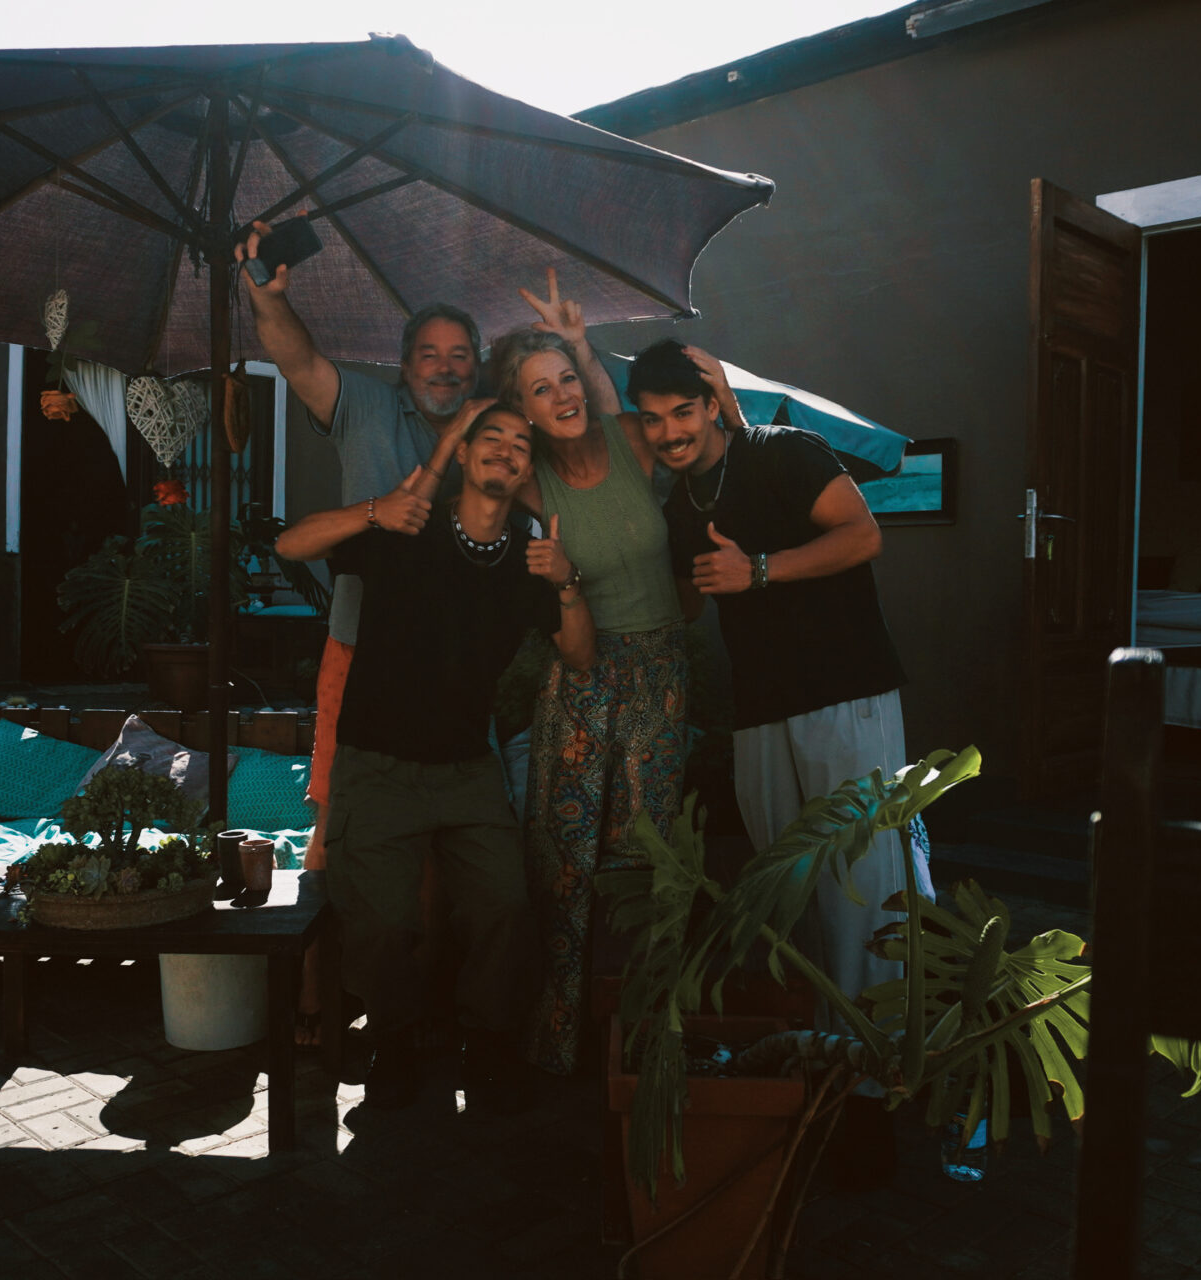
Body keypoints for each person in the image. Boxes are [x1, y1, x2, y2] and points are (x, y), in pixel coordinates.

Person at [235, 223, 598, 1042]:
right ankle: (321, 998)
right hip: (362, 649)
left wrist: (566, 573)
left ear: (478, 367)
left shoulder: (501, 437)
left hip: (462, 673)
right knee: (341, 827)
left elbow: (566, 488)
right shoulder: (366, 405)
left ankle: (424, 1013)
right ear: (405, 367)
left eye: (459, 355)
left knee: (451, 848)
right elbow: (296, 359)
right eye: (428, 354)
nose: (444, 366)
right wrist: (268, 294)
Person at [631, 337, 931, 1182]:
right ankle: (820, 1085)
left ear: (711, 403)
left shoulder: (784, 451)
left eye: (682, 412)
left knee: (864, 897)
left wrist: (757, 570)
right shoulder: (681, 502)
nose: (669, 432)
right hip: (761, 715)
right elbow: (688, 603)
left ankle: (872, 1107)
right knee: (787, 902)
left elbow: (863, 535)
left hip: (846, 695)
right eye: (652, 419)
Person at [273, 405, 595, 1111]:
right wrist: (374, 510)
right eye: (492, 438)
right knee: (383, 923)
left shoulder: (527, 560)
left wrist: (566, 580)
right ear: (466, 454)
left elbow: (579, 654)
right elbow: (292, 544)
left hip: (466, 768)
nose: (506, 450)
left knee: (505, 907)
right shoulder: (406, 530)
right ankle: (395, 1036)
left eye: (520, 444)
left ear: (527, 469)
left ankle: (485, 1041)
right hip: (377, 763)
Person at [488, 328, 688, 1076]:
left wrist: (578, 343)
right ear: (523, 410)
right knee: (562, 862)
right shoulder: (532, 480)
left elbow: (666, 427)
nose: (562, 396)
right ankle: (555, 1044)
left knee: (647, 863)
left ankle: (639, 1045)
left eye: (567, 378)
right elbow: (475, 459)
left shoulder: (633, 439)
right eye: (540, 389)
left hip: (660, 677)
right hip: (581, 675)